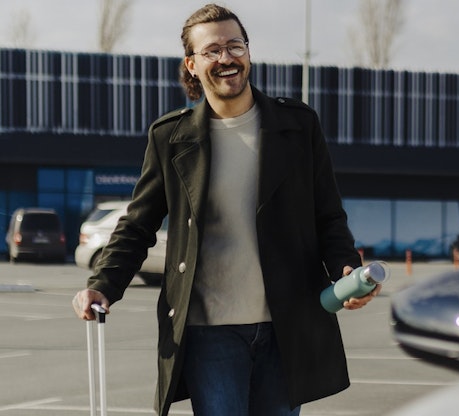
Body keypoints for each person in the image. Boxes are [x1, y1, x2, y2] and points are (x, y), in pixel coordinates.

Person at [71, 4, 380, 415]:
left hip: (288, 325)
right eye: (212, 50)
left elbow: (327, 214)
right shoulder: (171, 137)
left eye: (235, 46)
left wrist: (346, 267)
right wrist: (103, 284)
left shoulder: (297, 126)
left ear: (248, 53)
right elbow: (138, 223)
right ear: (192, 65)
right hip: (207, 332)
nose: (226, 58)